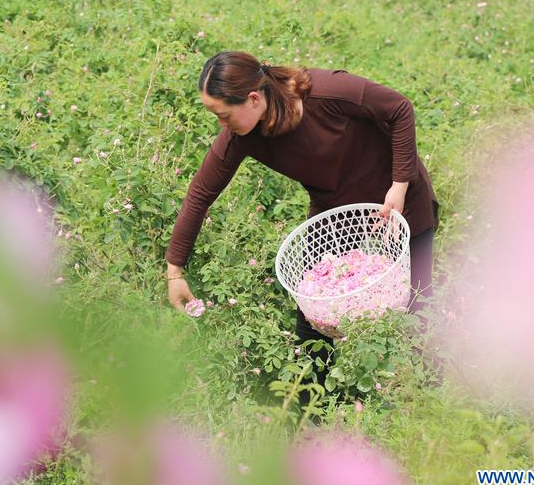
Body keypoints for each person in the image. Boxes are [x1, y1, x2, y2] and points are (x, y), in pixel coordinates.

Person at [164, 51, 438, 392]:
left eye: (223, 115)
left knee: (417, 300)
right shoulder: (242, 135)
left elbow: (399, 109)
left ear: (252, 99)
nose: (222, 125)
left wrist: (399, 186)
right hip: (334, 211)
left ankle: (427, 395)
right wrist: (175, 270)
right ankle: (315, 407)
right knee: (314, 314)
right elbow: (200, 193)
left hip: (398, 197)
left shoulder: (327, 92)